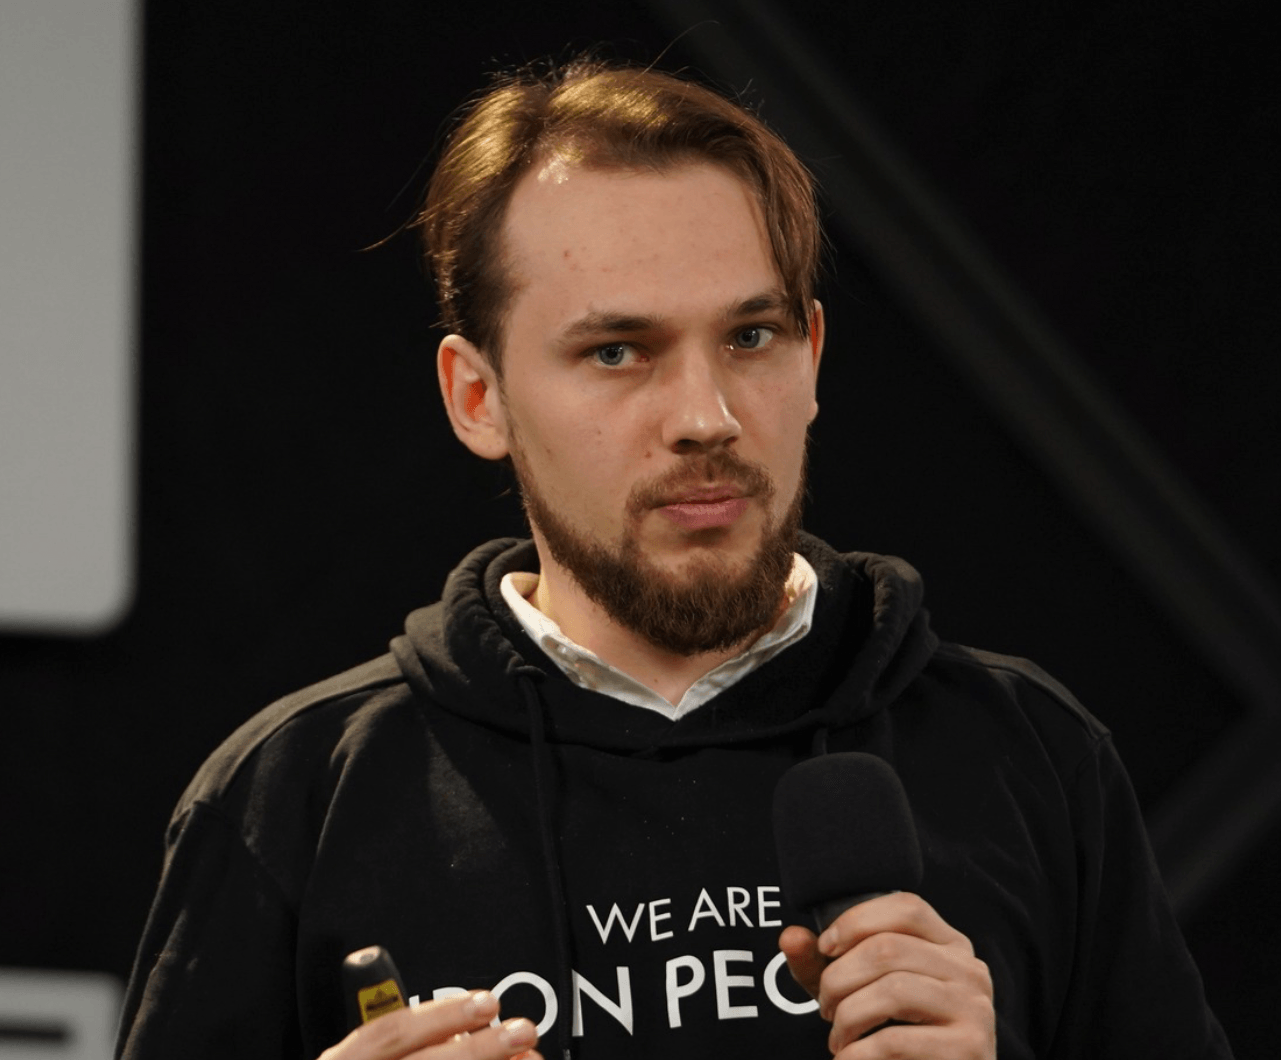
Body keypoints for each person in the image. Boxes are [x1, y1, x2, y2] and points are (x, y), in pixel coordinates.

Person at [116, 57, 1232, 1060]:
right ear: (477, 396)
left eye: (750, 336)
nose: (706, 417)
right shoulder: (295, 798)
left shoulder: (1027, 756)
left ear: (813, 357)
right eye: (618, 351)